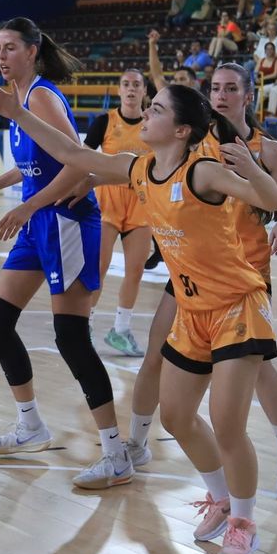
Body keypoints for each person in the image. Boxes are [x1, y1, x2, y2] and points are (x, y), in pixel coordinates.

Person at [0, 77, 277, 554]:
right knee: (177, 417)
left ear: (182, 130)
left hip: (235, 306)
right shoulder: (141, 169)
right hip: (192, 312)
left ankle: (244, 524)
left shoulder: (204, 173)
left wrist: (252, 168)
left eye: (158, 110)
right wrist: (17, 113)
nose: (146, 114)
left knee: (229, 424)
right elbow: (77, 156)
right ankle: (221, 498)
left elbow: (270, 201)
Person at [117, 64, 277, 504]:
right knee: (156, 352)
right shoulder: (197, 142)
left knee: (257, 372)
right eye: (215, 88)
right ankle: (137, 442)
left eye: (230, 88)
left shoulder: (268, 151)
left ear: (247, 95)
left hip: (244, 274)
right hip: (190, 271)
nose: (220, 95)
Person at [0, 18, 133, 491]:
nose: (1, 56)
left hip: (67, 220)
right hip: (40, 219)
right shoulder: (16, 100)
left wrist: (26, 207)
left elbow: (78, 162)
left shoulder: (39, 97)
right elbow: (34, 165)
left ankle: (115, 454)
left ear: (33, 51)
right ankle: (30, 425)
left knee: (71, 337)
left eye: (11, 48)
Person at [84, 69, 155, 358]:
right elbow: (82, 155)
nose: (130, 89)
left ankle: (121, 330)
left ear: (144, 91)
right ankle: (84, 326)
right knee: (97, 270)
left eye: (136, 85)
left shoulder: (154, 123)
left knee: (135, 271)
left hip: (141, 206)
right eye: (125, 84)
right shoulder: (104, 121)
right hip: (106, 206)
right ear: (118, 90)